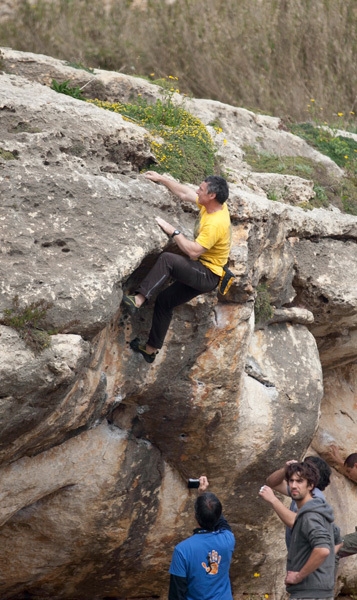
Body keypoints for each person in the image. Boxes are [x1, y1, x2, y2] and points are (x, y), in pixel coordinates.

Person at [122, 171, 231, 363]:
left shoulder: (216, 223)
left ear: (212, 195)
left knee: (168, 259)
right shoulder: (212, 206)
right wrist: (162, 179)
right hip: (203, 271)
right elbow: (185, 193)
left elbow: (193, 252)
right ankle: (150, 350)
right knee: (165, 300)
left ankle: (138, 300)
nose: (198, 191)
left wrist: (173, 231)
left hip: (207, 275)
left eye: (202, 189)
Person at [262, 461, 336, 600]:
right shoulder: (312, 505)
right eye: (291, 480)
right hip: (314, 590)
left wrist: (298, 576)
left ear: (311, 485)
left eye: (300, 481)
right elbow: (272, 482)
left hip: (310, 592)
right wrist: (287, 468)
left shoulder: (310, 514)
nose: (294, 485)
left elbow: (322, 549)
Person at [168, 475, 235, 600]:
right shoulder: (228, 539)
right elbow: (220, 520)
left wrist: (201, 496)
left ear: (195, 516)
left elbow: (176, 594)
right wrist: (204, 496)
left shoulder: (182, 550)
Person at [263, 456, 336, 550]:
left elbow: (296, 522)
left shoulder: (316, 497)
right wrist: (286, 469)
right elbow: (272, 483)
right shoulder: (301, 491)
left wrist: (273, 500)